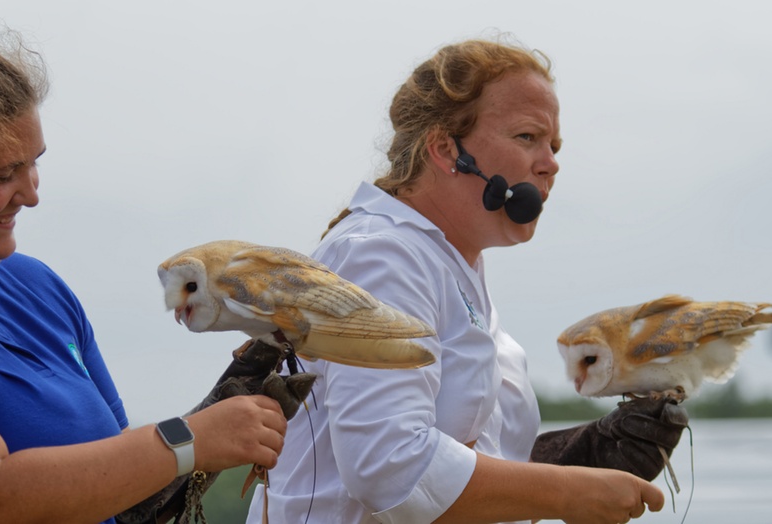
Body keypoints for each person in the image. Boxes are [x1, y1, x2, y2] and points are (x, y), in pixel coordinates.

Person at [246, 37, 686, 524]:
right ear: (444, 148)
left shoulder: (448, 263)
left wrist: (573, 457)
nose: (551, 163)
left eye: (554, 145)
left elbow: (461, 457)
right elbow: (387, 467)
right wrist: (563, 491)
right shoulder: (382, 255)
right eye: (527, 138)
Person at [0, 24, 287, 523]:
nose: (31, 194)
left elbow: (117, 477)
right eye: (2, 175)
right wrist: (192, 438)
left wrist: (223, 417)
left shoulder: (38, 286)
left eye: (33, 164)